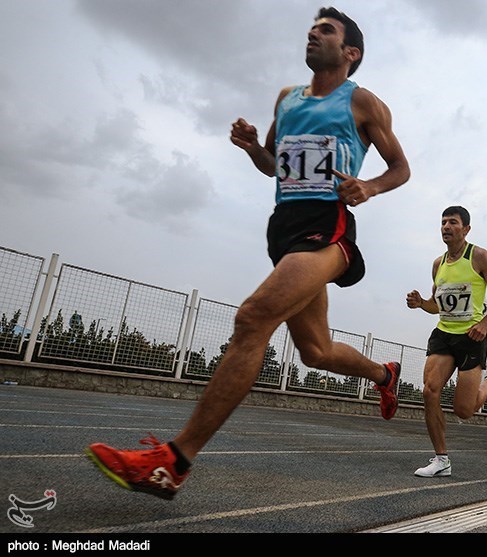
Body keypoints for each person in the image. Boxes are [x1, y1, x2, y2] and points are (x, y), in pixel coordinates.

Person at [85, 7, 411, 500]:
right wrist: (253, 146)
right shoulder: (286, 99)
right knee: (315, 352)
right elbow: (271, 167)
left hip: (329, 228)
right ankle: (383, 374)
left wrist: (369, 186)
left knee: (253, 317)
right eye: (311, 28)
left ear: (350, 53)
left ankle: (174, 461)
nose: (311, 33)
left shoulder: (363, 102)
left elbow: (400, 168)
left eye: (325, 30)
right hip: (284, 231)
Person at [406, 206, 487, 477]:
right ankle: (441, 459)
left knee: (464, 411)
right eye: (443, 222)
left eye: (452, 222)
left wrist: (485, 323)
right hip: (444, 334)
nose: (446, 227)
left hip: (471, 337)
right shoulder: (437, 264)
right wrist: (421, 304)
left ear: (466, 229)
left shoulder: (478, 256)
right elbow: (437, 306)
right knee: (429, 391)